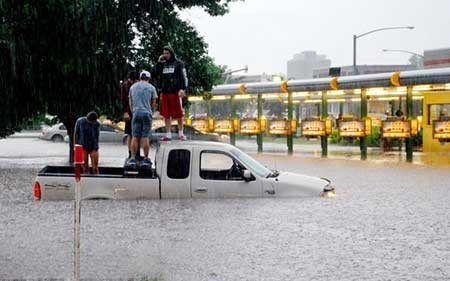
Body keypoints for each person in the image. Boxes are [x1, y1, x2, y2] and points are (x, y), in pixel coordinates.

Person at [152, 46, 188, 141]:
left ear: (171, 53)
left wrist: (183, 88)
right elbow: (154, 74)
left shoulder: (179, 64)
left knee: (179, 114)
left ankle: (181, 133)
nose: (165, 55)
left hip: (175, 93)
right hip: (164, 92)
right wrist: (159, 62)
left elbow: (184, 76)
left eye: (167, 53)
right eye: (164, 53)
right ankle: (168, 134)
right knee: (166, 114)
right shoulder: (162, 65)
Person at [127, 70, 158, 168]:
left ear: (140, 77)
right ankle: (145, 158)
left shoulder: (133, 87)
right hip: (147, 113)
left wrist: (133, 111)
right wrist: (151, 112)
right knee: (145, 137)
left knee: (135, 136)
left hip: (136, 113)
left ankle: (132, 158)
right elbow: (154, 103)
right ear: (148, 78)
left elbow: (130, 101)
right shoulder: (152, 87)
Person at [120, 71, 140, 158]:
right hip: (130, 112)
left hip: (136, 111)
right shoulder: (125, 86)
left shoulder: (136, 85)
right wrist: (125, 112)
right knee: (130, 134)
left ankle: (136, 153)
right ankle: (131, 153)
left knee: (136, 134)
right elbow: (123, 100)